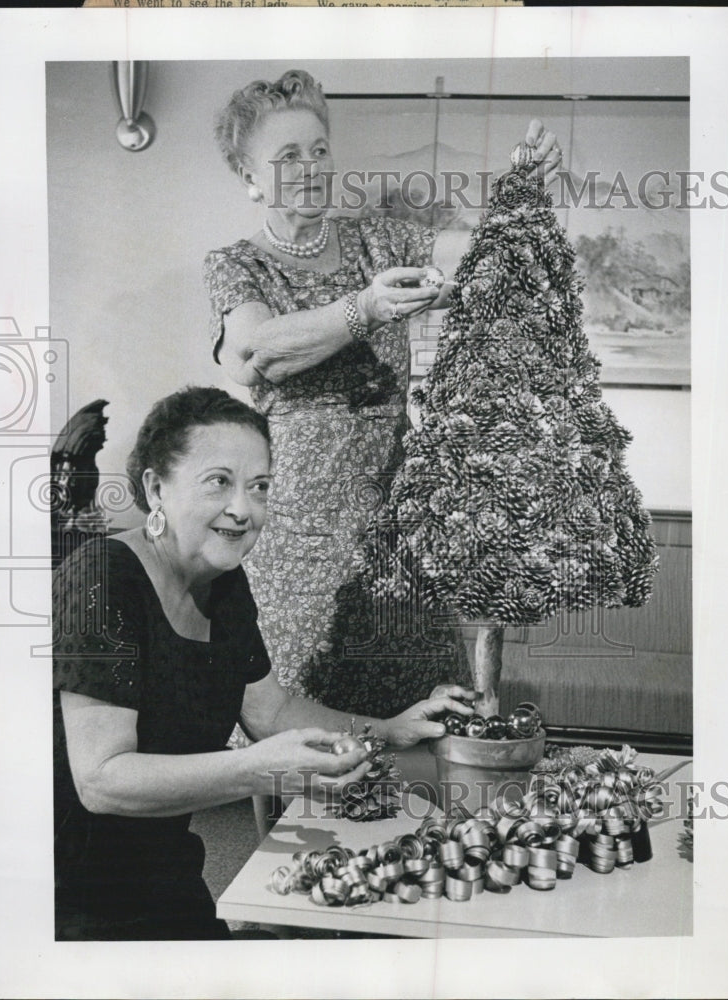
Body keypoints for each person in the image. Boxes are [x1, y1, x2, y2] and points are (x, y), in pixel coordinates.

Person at [53, 386, 475, 941]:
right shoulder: (101, 578)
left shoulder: (224, 581)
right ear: (156, 488)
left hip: (169, 878)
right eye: (218, 481)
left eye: (259, 486)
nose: (243, 509)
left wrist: (392, 729)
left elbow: (271, 711)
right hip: (72, 904)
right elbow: (101, 780)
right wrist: (259, 770)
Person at [204, 69, 563, 718]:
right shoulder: (238, 264)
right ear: (249, 176)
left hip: (398, 532)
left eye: (319, 150)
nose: (311, 167)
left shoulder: (383, 240)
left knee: (428, 716)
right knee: (303, 729)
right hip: (299, 546)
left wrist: (522, 193)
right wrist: (364, 308)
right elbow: (257, 353)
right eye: (288, 156)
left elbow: (482, 262)